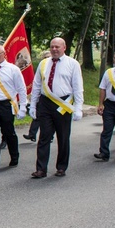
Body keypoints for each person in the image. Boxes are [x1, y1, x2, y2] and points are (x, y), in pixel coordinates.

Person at [29, 37, 84, 178]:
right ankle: (41, 169)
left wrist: (78, 107)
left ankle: (61, 167)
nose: (54, 49)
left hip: (63, 105)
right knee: (44, 137)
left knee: (63, 137)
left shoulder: (73, 64)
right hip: (45, 103)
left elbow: (78, 87)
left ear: (64, 48)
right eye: (52, 46)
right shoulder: (43, 63)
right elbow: (36, 85)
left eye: (57, 47)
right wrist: (33, 105)